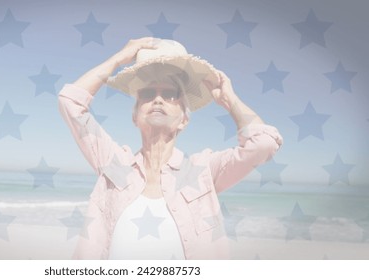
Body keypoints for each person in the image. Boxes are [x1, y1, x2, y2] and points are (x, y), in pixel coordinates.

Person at [58, 37, 283, 259]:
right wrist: (118, 59)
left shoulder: (203, 170)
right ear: (135, 116)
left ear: (184, 120)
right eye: (147, 94)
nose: (158, 100)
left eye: (169, 94)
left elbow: (263, 144)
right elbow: (70, 102)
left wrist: (230, 100)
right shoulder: (114, 162)